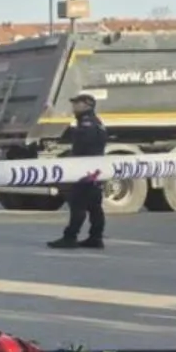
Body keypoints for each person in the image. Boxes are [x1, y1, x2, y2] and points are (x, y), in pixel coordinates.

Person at [49, 93, 109, 249]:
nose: (74, 106)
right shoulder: (97, 122)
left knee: (78, 204)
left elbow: (84, 146)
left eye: (77, 103)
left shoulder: (86, 124)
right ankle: (96, 238)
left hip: (85, 170)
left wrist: (70, 157)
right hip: (95, 169)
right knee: (94, 206)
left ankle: (70, 237)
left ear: (86, 105)